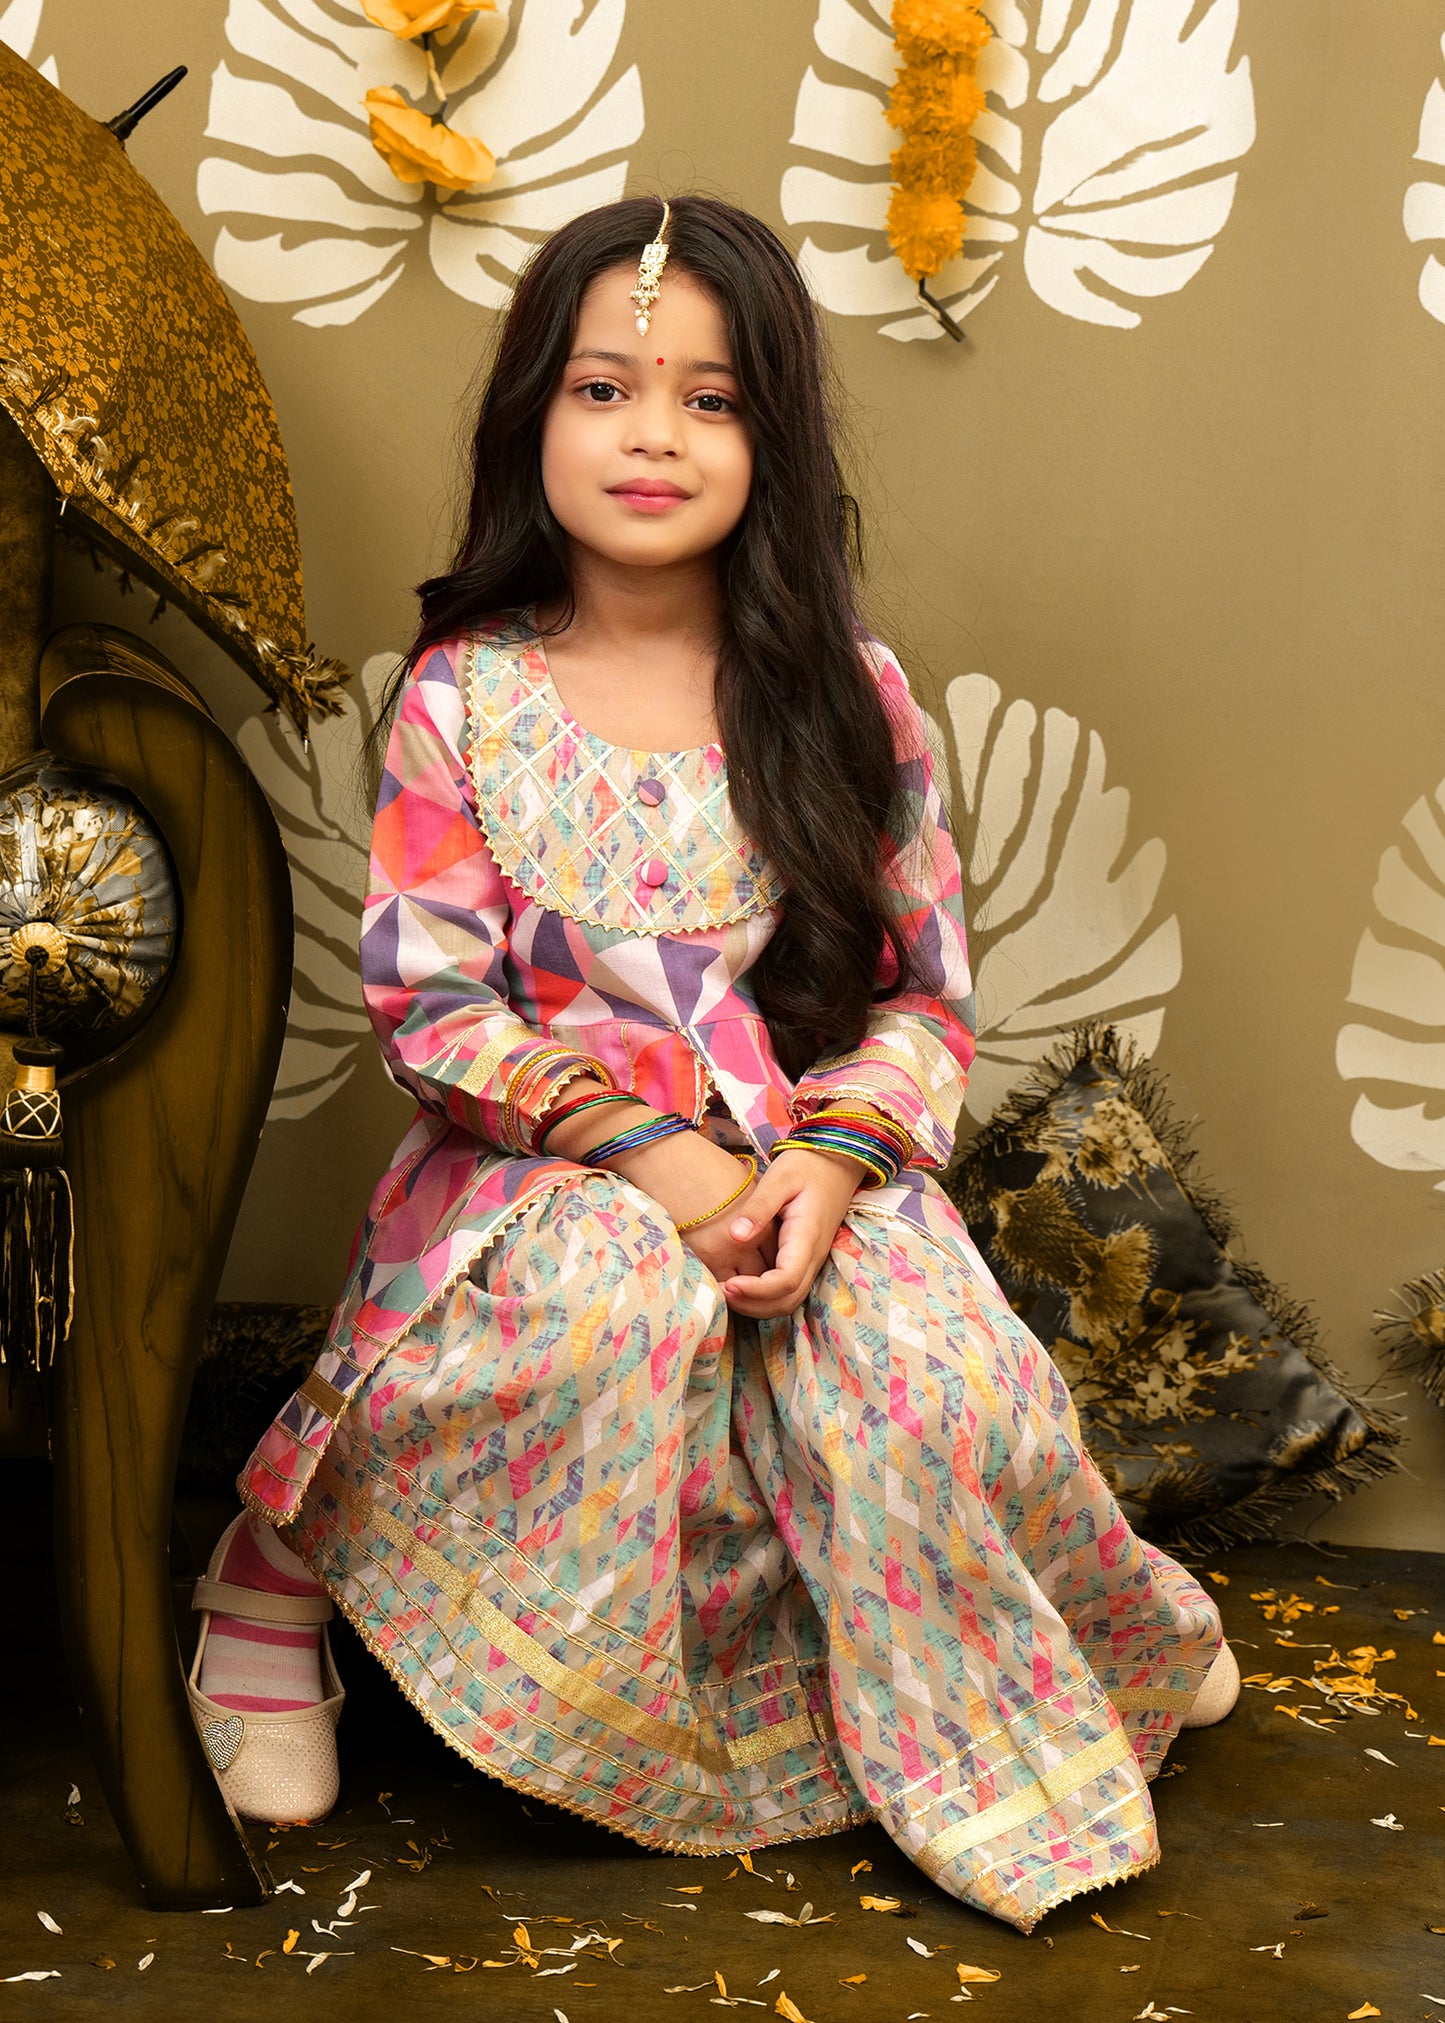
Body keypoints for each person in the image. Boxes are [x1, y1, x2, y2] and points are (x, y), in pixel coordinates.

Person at [187, 195, 1237, 1934]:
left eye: (712, 398)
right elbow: (433, 1005)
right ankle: (273, 1569)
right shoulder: (467, 697)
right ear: (534, 413)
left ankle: (1088, 1602)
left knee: (922, 1366)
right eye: (605, 388)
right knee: (618, 1313)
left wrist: (822, 1170)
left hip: (805, 1166)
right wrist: (654, 1162)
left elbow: (925, 1002)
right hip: (549, 1179)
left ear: (776, 437)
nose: (654, 435)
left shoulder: (847, 696)